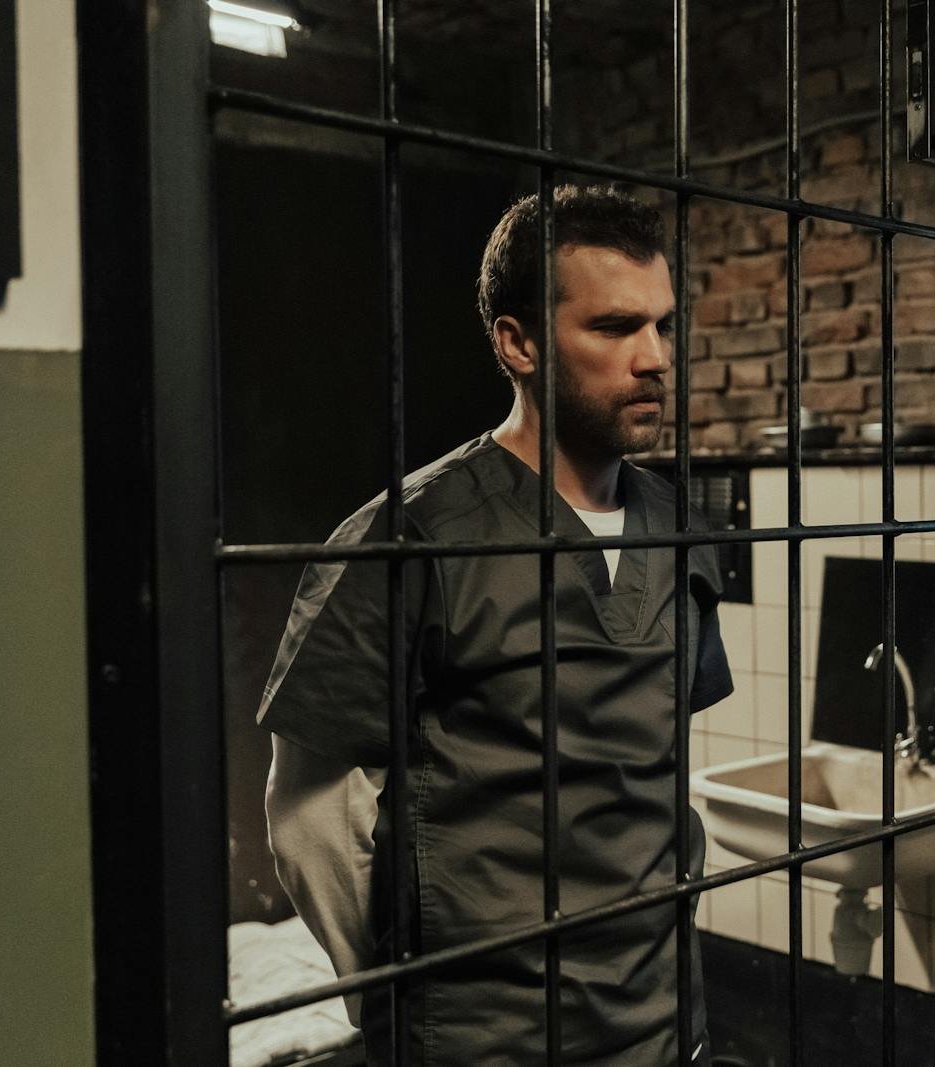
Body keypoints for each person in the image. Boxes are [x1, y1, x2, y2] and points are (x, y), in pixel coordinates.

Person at [259, 184, 733, 1066]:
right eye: (614, 327)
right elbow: (309, 815)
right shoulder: (412, 536)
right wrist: (405, 988)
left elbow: (662, 771)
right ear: (516, 342)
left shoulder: (680, 530)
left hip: (661, 1021)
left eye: (664, 326)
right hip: (485, 1039)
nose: (655, 358)